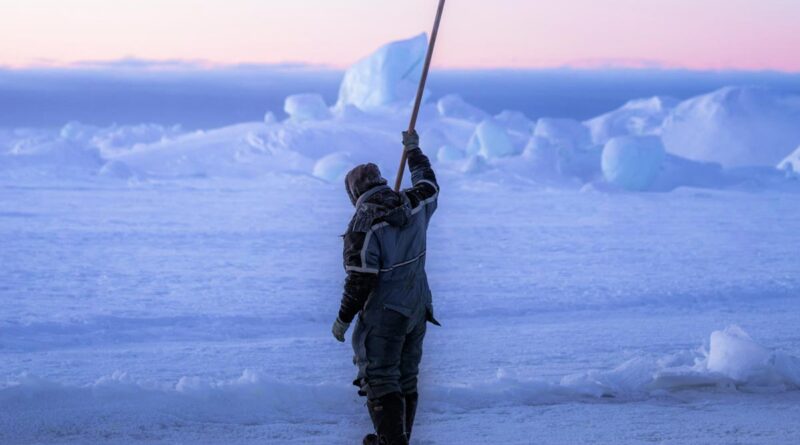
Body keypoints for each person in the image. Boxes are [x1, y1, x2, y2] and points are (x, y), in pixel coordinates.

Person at [331, 130, 440, 445]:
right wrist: (415, 152)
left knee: (380, 377)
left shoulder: (361, 227)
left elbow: (360, 280)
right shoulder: (413, 202)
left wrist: (343, 319)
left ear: (354, 195)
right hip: (418, 305)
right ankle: (398, 438)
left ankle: (392, 442)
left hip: (385, 313)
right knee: (406, 376)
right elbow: (430, 185)